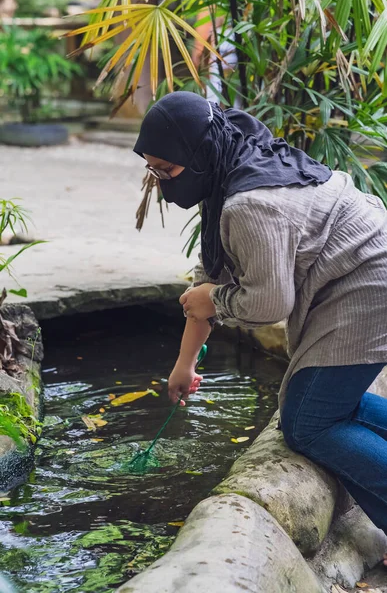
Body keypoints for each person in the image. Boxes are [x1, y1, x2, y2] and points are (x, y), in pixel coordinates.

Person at [134, 91, 387, 563]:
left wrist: (214, 299)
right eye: (151, 169)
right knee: (328, 407)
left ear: (196, 157)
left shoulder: (249, 205)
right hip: (361, 277)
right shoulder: (229, 162)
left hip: (367, 288)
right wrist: (183, 366)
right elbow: (207, 282)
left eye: (165, 171)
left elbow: (268, 303)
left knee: (308, 423)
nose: (159, 182)